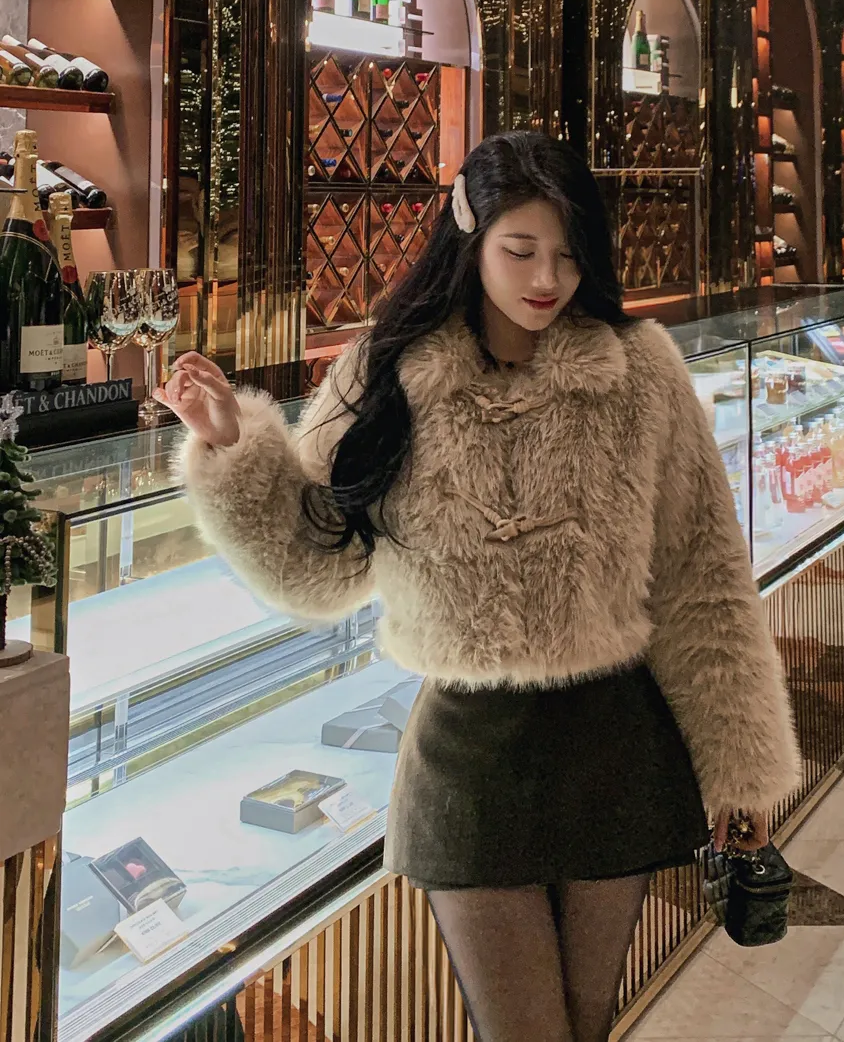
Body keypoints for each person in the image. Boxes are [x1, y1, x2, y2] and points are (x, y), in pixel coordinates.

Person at [159, 132, 800, 1042]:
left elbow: (704, 580)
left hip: (613, 743)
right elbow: (316, 568)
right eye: (521, 250)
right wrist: (231, 447)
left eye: (568, 255)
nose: (548, 279)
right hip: (468, 758)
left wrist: (743, 771)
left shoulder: (641, 370)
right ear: (470, 236)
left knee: (584, 1025)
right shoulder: (385, 371)